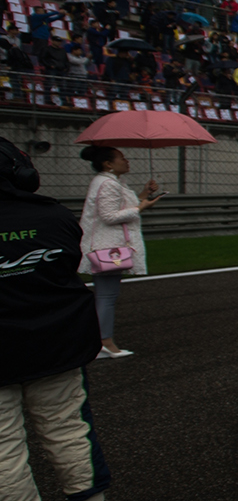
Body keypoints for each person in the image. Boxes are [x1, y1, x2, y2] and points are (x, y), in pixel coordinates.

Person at [0, 138, 140, 501]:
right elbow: (64, 267)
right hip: (53, 345)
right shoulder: (52, 216)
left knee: (3, 444)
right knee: (66, 427)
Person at [79, 145, 163, 358]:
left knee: (106, 295)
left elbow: (123, 205)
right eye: (121, 158)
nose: (126, 161)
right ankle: (104, 342)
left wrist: (145, 195)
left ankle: (101, 341)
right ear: (108, 164)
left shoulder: (111, 181)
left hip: (108, 245)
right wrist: (140, 208)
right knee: (107, 296)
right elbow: (108, 216)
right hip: (108, 247)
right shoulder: (107, 183)